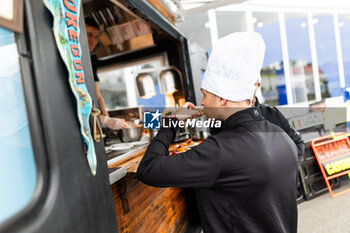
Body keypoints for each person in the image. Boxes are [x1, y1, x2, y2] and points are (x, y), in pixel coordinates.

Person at [136, 32, 299, 233]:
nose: (202, 102)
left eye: (205, 95)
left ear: (222, 98)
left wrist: (171, 123)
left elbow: (148, 169)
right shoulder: (281, 136)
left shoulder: (220, 150)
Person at [85, 18, 126, 130]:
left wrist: (108, 121)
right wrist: (106, 121)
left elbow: (98, 96)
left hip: (93, 120)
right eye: (89, 35)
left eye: (96, 37)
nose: (93, 40)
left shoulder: (91, 60)